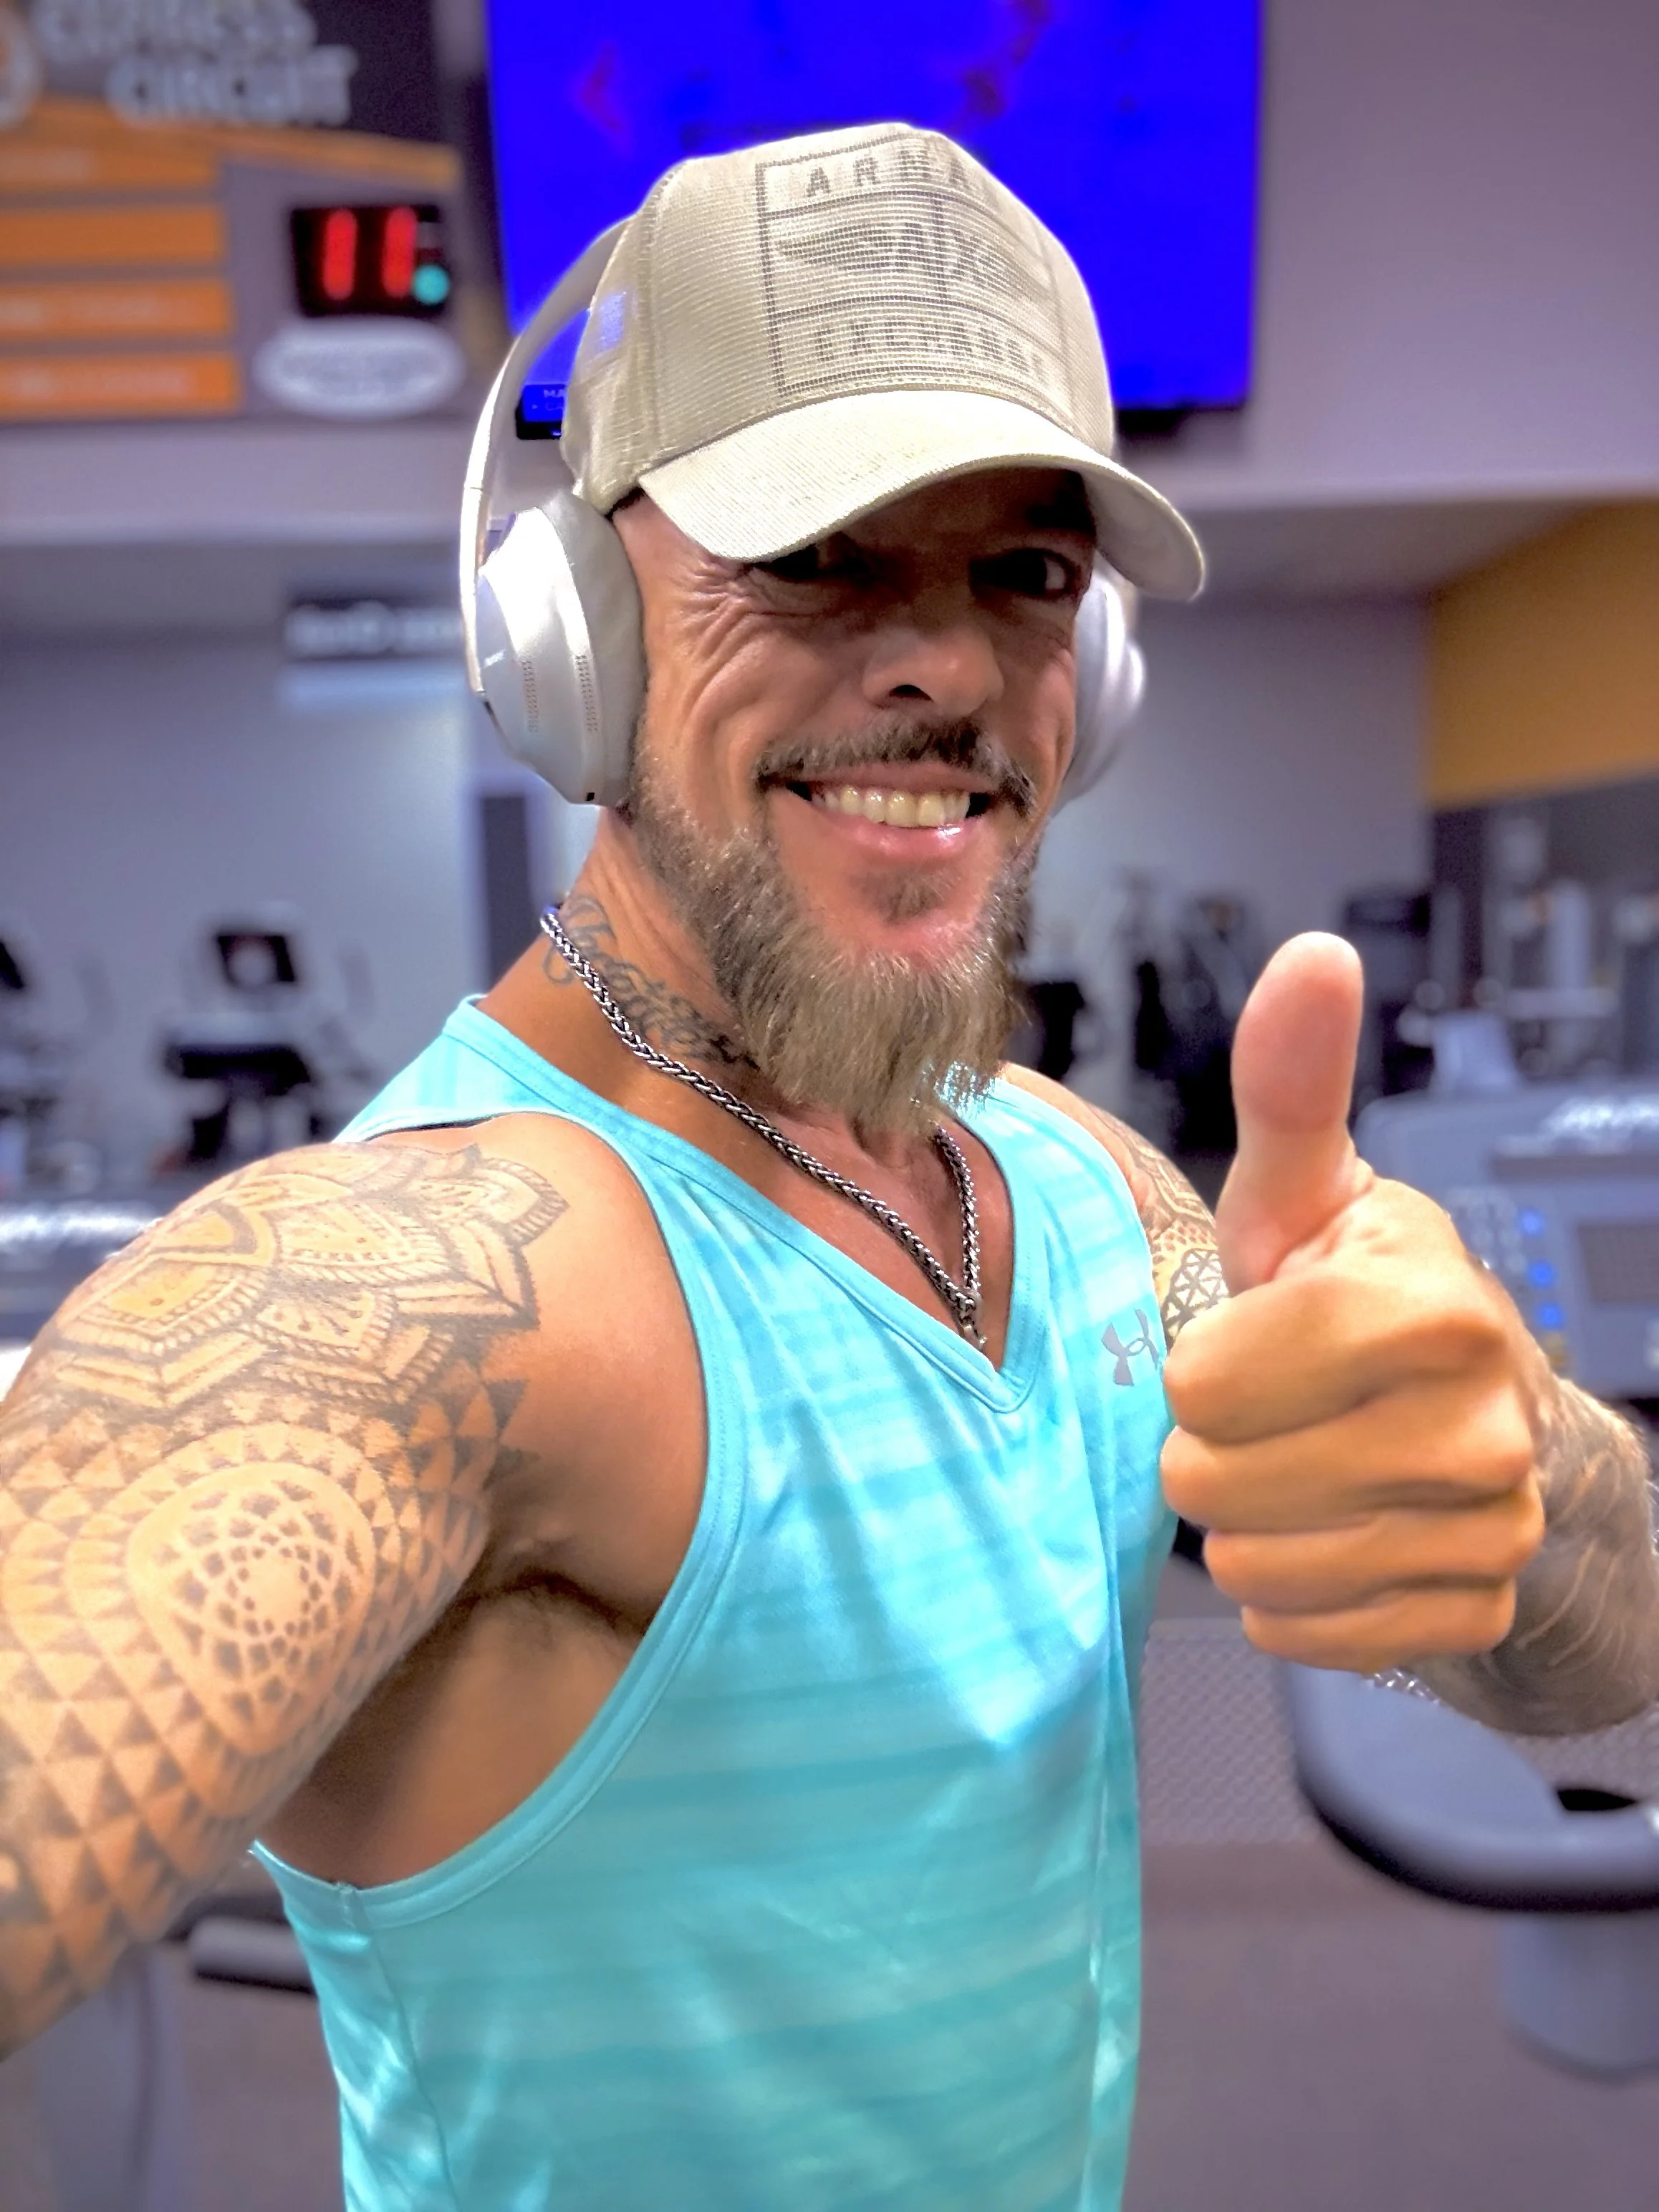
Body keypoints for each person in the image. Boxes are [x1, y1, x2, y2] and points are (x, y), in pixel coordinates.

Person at [3, 122, 1657, 2211]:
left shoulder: (1084, 1190)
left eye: (1025, 576)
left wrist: (1512, 1468)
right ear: (575, 630)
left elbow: (1606, 1656)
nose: (948, 667)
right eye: (813, 556)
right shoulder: (426, 1280)